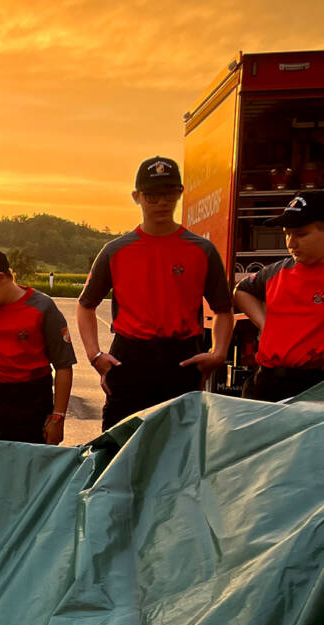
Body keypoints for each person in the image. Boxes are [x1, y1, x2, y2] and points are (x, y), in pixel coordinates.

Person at [77, 156, 234, 430]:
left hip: (182, 358)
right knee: (118, 447)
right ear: (136, 197)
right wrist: (95, 356)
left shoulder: (201, 250)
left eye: (169, 194)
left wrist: (218, 353)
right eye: (152, 195)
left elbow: (223, 308)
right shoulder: (116, 250)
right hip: (130, 356)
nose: (161, 202)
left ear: (180, 193)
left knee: (180, 447)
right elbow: (85, 306)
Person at [0, 248, 75, 444]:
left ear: (1, 278)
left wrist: (58, 419)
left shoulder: (42, 308)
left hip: (31, 404)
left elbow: (63, 365)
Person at [233, 191, 324, 401]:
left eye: (301, 234)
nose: (291, 242)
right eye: (287, 233)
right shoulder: (276, 271)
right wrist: (264, 323)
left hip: (315, 387)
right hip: (266, 381)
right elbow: (242, 290)